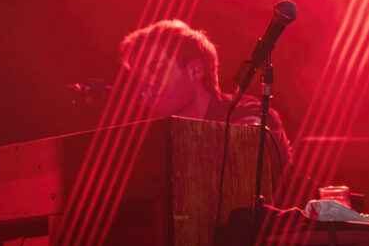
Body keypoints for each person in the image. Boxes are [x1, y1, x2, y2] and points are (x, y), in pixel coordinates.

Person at [119, 19, 292, 169]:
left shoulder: (246, 113)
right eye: (139, 77)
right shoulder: (155, 141)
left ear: (195, 70)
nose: (144, 84)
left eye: (157, 69)